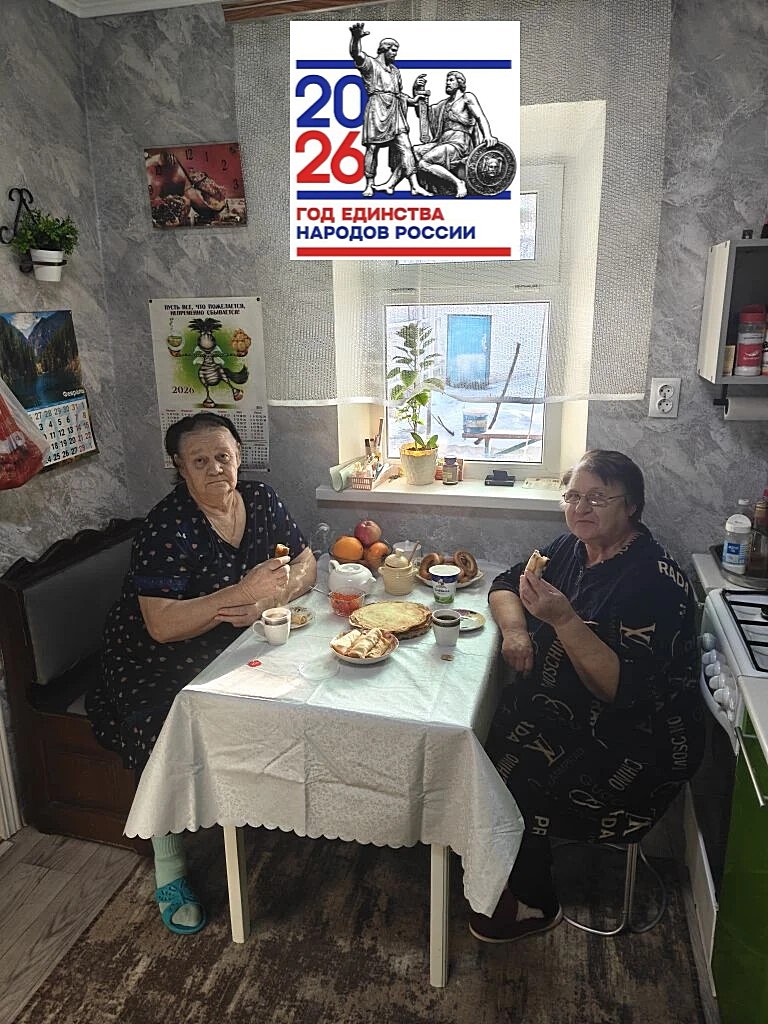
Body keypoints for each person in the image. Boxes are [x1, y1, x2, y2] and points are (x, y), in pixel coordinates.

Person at [86, 413, 316, 935]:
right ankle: (169, 866)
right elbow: (162, 625)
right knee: (160, 723)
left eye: (223, 456)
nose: (215, 469)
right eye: (200, 460)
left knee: (299, 685)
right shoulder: (168, 525)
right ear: (180, 466)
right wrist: (243, 593)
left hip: (234, 634)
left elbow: (307, 563)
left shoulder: (262, 500)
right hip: (153, 651)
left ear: (239, 455)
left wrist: (270, 599)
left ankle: (263, 802)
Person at [470, 450, 705, 943]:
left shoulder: (652, 583)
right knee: (476, 729)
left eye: (597, 498)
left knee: (510, 769)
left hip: (634, 743)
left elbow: (620, 692)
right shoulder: (571, 548)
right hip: (564, 711)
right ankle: (496, 863)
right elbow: (506, 583)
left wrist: (562, 619)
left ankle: (536, 902)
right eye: (573, 496)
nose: (580, 508)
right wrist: (516, 633)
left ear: (631, 506)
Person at [348, 23, 429, 197]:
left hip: (395, 112)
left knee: (406, 147)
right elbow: (356, 54)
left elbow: (399, 94)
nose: (395, 54)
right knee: (372, 148)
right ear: (384, 49)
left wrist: (413, 100)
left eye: (396, 51)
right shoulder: (371, 64)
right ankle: (369, 184)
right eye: (393, 50)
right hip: (377, 109)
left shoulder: (395, 71)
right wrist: (356, 38)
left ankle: (414, 185)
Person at [410, 71, 497, 198]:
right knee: (414, 152)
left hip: (459, 143)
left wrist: (487, 135)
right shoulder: (443, 104)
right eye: (447, 80)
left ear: (459, 82)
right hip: (443, 141)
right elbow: (423, 114)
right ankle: (421, 187)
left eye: (451, 80)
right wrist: (417, 90)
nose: (447, 83)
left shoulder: (467, 98)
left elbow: (480, 117)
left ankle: (458, 183)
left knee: (424, 163)